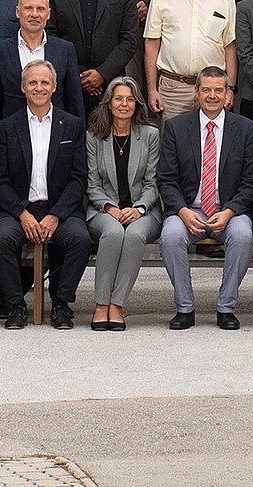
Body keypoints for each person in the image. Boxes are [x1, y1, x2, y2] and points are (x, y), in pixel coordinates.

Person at [157, 67, 253, 330]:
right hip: (188, 210)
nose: (212, 96)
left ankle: (226, 307)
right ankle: (184, 308)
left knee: (242, 237)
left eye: (218, 90)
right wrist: (182, 211)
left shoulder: (246, 129)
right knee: (171, 236)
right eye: (206, 90)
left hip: (229, 211)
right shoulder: (177, 127)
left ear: (227, 94)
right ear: (197, 92)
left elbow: (251, 183)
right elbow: (166, 179)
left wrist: (229, 211)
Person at [85, 77, 160, 330]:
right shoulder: (94, 137)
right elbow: (92, 184)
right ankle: (101, 304)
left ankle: (116, 304)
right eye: (118, 98)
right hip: (103, 209)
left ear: (137, 104)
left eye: (130, 99)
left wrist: (138, 208)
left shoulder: (150, 135)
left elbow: (153, 182)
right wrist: (110, 208)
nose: (124, 104)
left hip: (144, 210)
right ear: (108, 103)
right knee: (114, 233)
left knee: (135, 235)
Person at [144, 0, 239, 118]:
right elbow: (152, 44)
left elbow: (230, 45)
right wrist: (152, 89)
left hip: (213, 89)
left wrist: (230, 88)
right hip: (173, 90)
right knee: (172, 137)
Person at [0, 0, 86, 123]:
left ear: (48, 14)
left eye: (40, 9)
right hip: (13, 133)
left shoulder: (65, 50)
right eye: (28, 8)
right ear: (18, 12)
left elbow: (74, 102)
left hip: (56, 131)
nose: (34, 14)